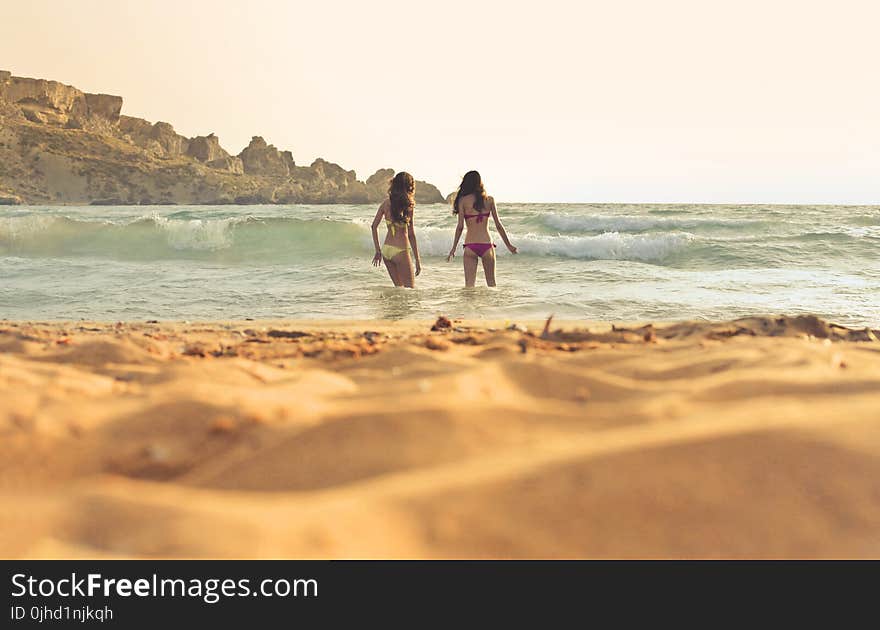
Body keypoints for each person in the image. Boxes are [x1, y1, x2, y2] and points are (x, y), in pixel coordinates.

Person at [446, 170, 516, 287]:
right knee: (492, 284)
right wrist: (509, 245)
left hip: (470, 246)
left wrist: (453, 249)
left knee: (469, 286)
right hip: (487, 245)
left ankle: (469, 306)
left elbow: (460, 227)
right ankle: (494, 306)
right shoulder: (489, 200)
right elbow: (498, 225)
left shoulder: (463, 201)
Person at [371, 171, 422, 287]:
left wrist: (378, 251)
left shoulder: (385, 203)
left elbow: (374, 227)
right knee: (410, 291)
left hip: (386, 251)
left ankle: (395, 306)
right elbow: (411, 235)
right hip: (400, 251)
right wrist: (418, 260)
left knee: (399, 290)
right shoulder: (408, 205)